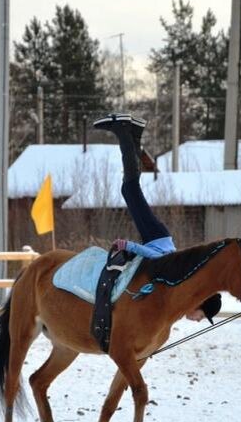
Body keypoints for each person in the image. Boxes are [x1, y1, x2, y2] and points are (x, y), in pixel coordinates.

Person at [93, 113, 221, 324]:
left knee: (130, 189)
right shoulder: (181, 282)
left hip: (157, 236)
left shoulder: (183, 290)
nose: (198, 320)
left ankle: (134, 133)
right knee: (129, 189)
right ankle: (124, 131)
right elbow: (157, 258)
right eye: (202, 316)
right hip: (155, 237)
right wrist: (129, 245)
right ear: (199, 304)